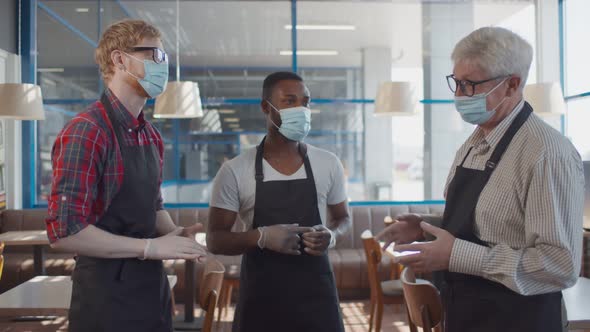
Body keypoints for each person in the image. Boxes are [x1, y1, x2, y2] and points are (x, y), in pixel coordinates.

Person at [377, 27, 584, 332]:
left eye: (470, 85)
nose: (459, 96)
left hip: (518, 320)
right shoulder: (475, 141)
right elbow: (489, 222)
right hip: (466, 312)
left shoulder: (547, 154)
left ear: (512, 84)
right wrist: (425, 224)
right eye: (457, 83)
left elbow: (559, 266)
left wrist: (457, 254)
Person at [45, 20, 206, 332]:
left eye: (165, 59)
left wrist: (174, 235)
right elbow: (65, 233)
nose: (164, 67)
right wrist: (149, 248)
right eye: (156, 56)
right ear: (120, 60)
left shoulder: (151, 136)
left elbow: (153, 207)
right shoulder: (87, 131)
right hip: (105, 298)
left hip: (151, 290)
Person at [207, 71, 350, 332]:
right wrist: (260, 237)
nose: (301, 109)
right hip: (261, 301)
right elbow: (215, 239)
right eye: (289, 101)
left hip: (317, 299)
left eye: (305, 102)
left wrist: (332, 235)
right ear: (266, 107)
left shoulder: (328, 163)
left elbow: (343, 218)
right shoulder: (235, 170)